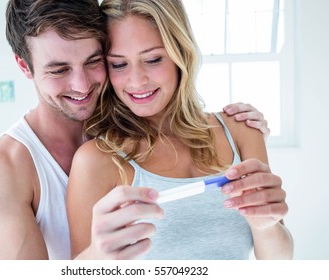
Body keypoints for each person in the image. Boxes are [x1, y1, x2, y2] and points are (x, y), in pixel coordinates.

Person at [0, 0, 271, 260]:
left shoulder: (135, 123)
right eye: (59, 69)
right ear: (25, 66)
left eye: (94, 62)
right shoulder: (6, 165)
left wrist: (239, 130)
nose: (82, 86)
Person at [66, 0, 293, 260]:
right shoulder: (96, 160)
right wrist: (97, 255)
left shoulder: (242, 131)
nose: (137, 80)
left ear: (180, 54)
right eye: (119, 64)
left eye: (152, 59)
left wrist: (265, 224)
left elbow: (278, 262)